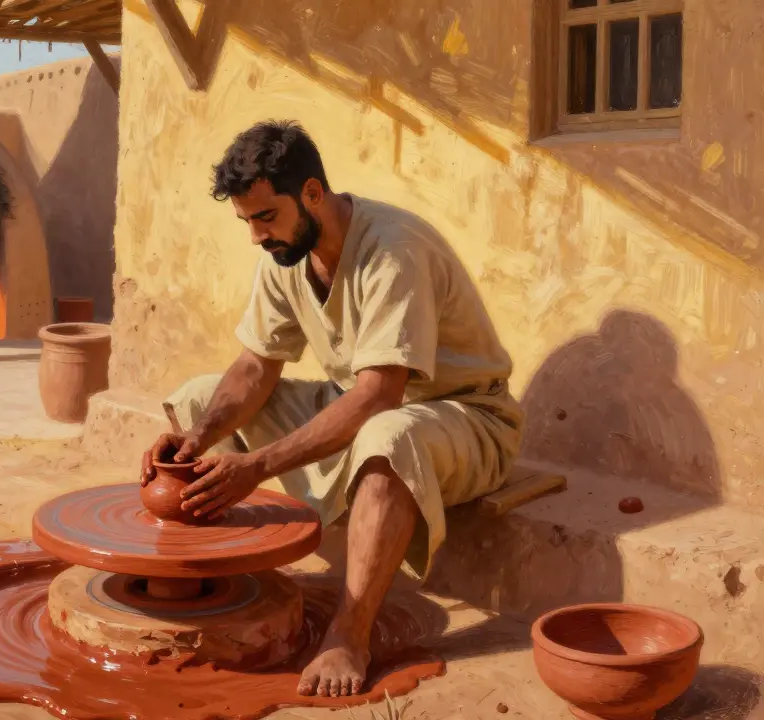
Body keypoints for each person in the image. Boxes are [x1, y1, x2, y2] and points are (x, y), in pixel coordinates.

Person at [139, 120, 523, 698]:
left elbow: (380, 395)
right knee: (200, 395)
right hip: (366, 406)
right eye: (246, 221)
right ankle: (233, 584)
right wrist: (197, 437)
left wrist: (258, 466)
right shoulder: (285, 255)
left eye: (265, 217)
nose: (256, 237)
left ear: (313, 193)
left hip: (466, 420)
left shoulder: (392, 249)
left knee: (388, 435)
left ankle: (350, 631)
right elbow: (254, 367)